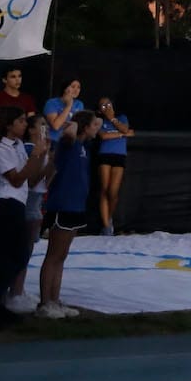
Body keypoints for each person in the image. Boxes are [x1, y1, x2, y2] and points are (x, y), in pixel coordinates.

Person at [0, 107, 50, 328]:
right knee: (10, 253)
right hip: (5, 202)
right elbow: (16, 179)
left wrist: (42, 156)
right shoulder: (2, 149)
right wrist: (35, 156)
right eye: (20, 121)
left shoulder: (18, 145)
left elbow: (30, 178)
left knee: (15, 253)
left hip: (17, 202)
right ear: (9, 125)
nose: (24, 125)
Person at [37, 109, 103, 318]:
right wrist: (74, 123)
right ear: (84, 127)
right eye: (93, 125)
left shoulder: (84, 147)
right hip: (63, 206)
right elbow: (68, 133)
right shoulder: (69, 144)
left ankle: (54, 300)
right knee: (53, 255)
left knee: (61, 256)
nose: (97, 128)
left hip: (76, 207)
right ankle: (45, 303)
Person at [94, 97, 132, 235]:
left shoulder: (122, 117)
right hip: (105, 154)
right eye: (103, 106)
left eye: (108, 104)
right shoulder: (99, 121)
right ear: (99, 110)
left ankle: (109, 217)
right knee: (104, 188)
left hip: (119, 155)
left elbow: (125, 128)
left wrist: (112, 119)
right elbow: (103, 136)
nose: (106, 106)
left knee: (113, 191)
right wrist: (122, 135)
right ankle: (105, 225)